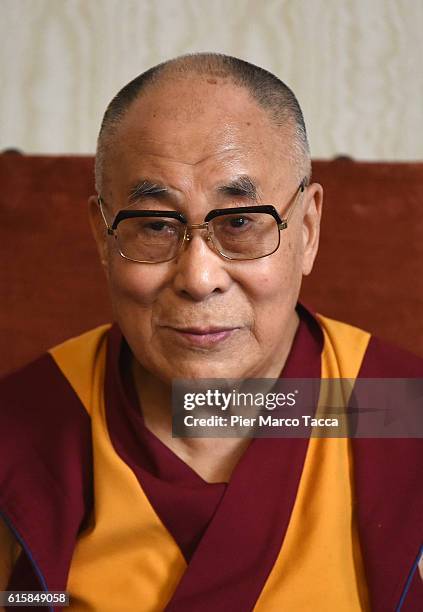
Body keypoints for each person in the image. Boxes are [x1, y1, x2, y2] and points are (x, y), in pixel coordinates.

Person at [0, 53, 422, 611]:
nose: (198, 279)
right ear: (102, 237)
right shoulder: (26, 428)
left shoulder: (394, 408)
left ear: (309, 230)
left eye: (240, 221)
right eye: (153, 225)